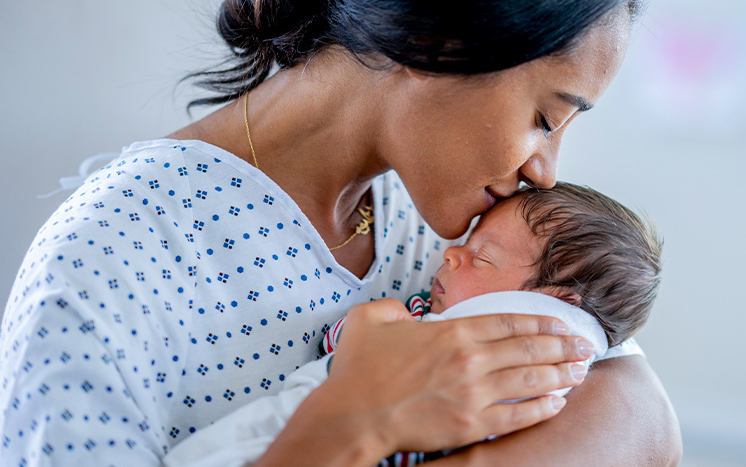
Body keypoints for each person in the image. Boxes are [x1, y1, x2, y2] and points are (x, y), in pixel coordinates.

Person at [0, 0, 682, 465]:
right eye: (544, 117)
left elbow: (641, 411)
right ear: (437, 38)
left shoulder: (453, 219)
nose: (544, 170)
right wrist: (356, 419)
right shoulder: (107, 262)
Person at [162, 182, 662, 467]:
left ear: (554, 304)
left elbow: (347, 342)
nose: (451, 254)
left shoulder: (561, 362)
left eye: (482, 258)